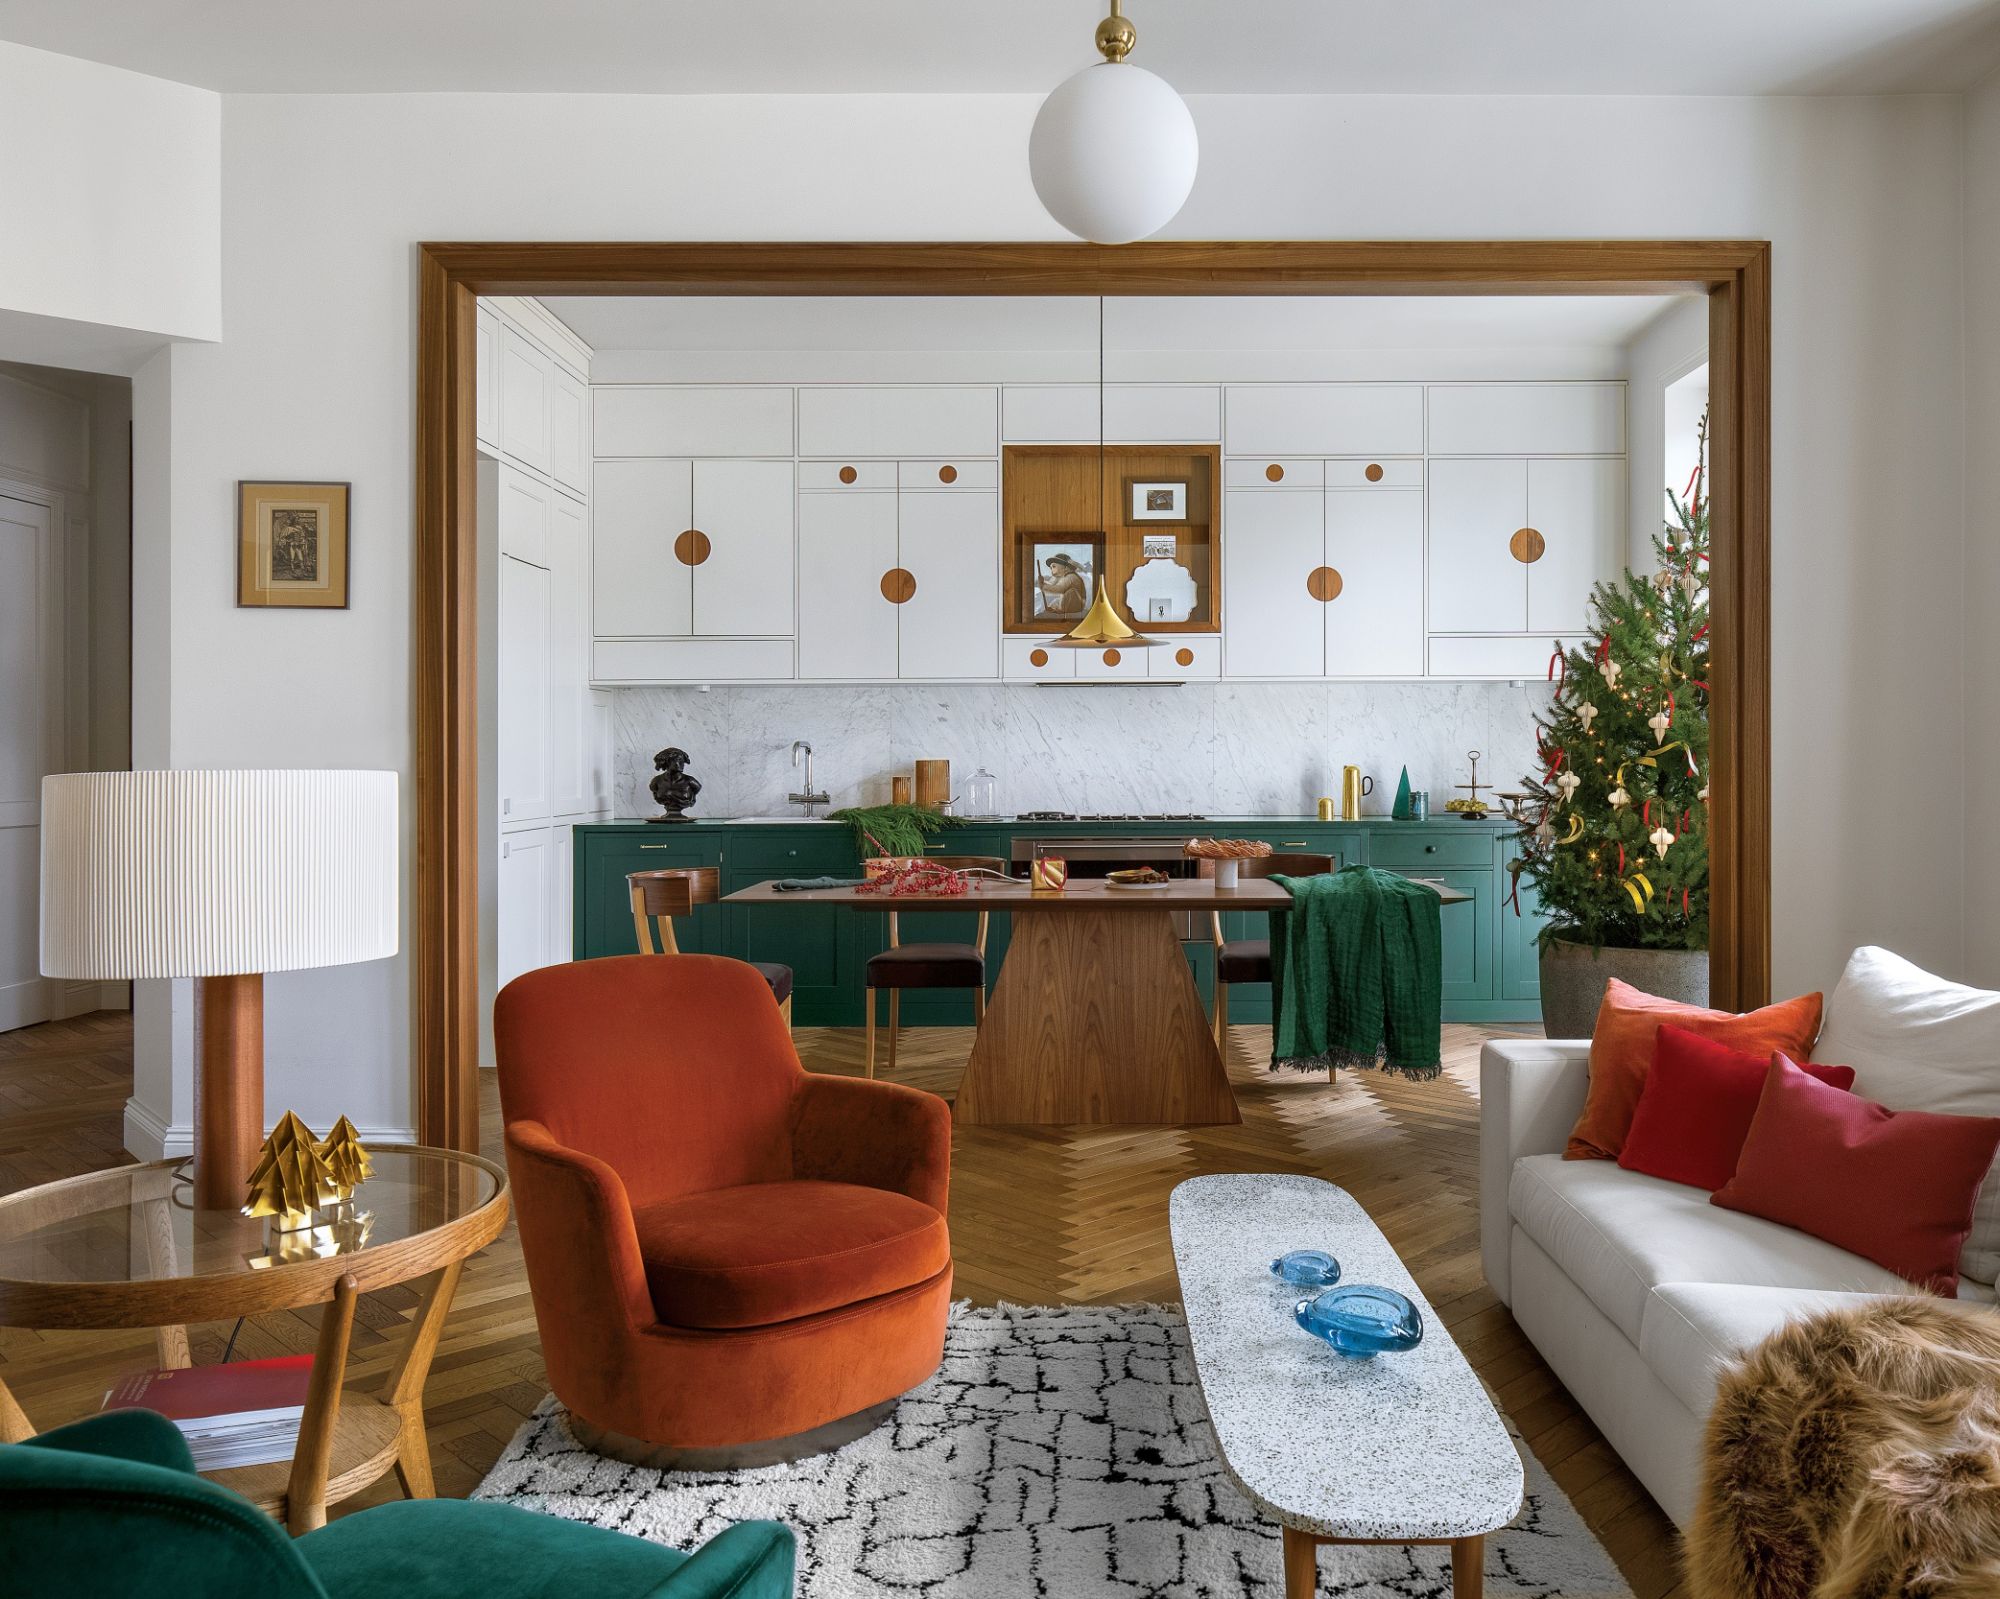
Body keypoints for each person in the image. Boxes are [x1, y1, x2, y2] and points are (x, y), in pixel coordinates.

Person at [1036, 552, 1089, 618]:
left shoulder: (1071, 576)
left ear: (1065, 567)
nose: (1052, 570)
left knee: (1070, 592)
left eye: (1054, 566)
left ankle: (1060, 610)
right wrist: (1043, 583)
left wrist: (1043, 586)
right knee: (1057, 601)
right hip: (1073, 603)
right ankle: (1056, 610)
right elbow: (1054, 587)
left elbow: (1059, 589)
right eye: (1051, 568)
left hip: (1077, 604)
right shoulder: (1065, 577)